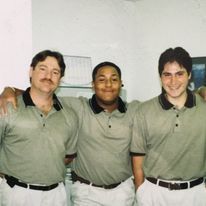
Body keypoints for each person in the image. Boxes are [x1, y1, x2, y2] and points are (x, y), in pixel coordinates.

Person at [0, 61, 139, 206]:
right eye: (102, 79)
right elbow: (41, 94)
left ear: (121, 83)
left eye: (114, 79)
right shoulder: (77, 106)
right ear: (93, 85)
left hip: (122, 192)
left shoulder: (134, 110)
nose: (108, 85)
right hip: (86, 193)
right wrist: (10, 90)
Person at [0, 50, 78, 206]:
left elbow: (68, 155)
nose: (48, 76)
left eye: (55, 72)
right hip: (17, 194)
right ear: (31, 71)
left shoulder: (69, 115)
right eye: (43, 68)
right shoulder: (7, 107)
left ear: (60, 79)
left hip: (56, 196)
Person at [130, 47, 206, 206]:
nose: (173, 82)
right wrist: (140, 190)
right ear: (160, 77)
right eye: (167, 75)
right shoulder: (144, 111)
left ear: (189, 75)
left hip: (196, 194)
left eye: (180, 74)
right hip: (154, 193)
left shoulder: (204, 108)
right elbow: (138, 156)